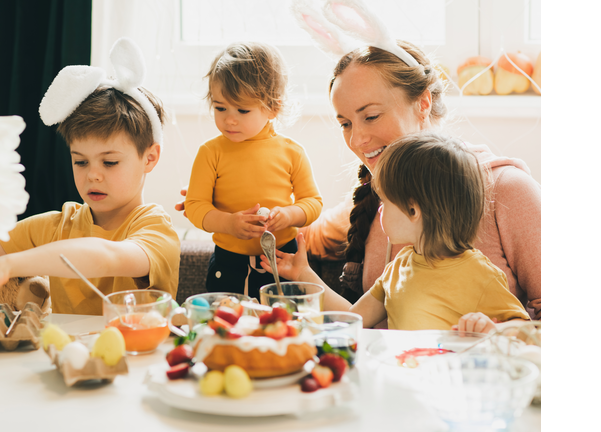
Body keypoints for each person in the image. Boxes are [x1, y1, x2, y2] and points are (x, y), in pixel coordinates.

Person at [175, 39, 541, 321]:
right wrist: (220, 208)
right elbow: (304, 236)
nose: (357, 140)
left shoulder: (508, 189)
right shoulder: (374, 201)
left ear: (423, 103)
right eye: (345, 123)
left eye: (371, 116)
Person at [0, 38, 181, 334]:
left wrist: (8, 265)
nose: (92, 175)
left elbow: (108, 256)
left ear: (150, 158)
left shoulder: (156, 230)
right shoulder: (58, 225)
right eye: (80, 162)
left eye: (109, 163)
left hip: (141, 366)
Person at [261, 132, 529, 332]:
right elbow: (355, 318)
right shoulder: (398, 267)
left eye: (385, 203)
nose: (379, 211)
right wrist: (303, 275)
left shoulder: (480, 275)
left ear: (414, 212)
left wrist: (492, 329)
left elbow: (525, 330)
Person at [184, 41, 323, 300]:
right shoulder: (210, 152)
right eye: (220, 107)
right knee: (227, 325)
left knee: (281, 325)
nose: (229, 119)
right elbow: (194, 206)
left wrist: (290, 215)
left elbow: (313, 202)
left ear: (273, 107)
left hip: (281, 259)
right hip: (228, 262)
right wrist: (228, 223)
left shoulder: (292, 151)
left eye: (242, 109)